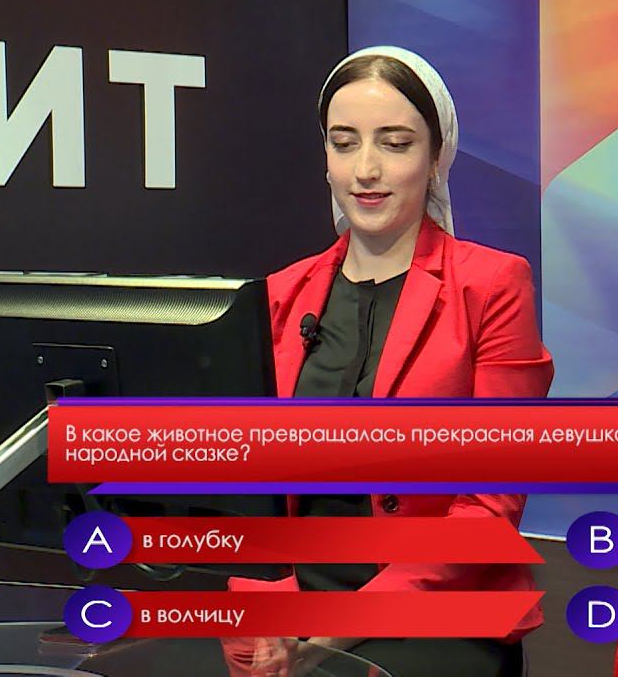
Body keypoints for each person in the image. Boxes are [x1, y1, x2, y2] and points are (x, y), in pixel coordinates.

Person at [224, 45, 553, 677]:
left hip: (440, 615)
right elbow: (247, 495)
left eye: (395, 144)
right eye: (344, 144)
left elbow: (488, 508)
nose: (366, 170)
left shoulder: (492, 285)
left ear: (436, 158)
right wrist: (266, 618)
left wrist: (337, 630)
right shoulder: (279, 294)